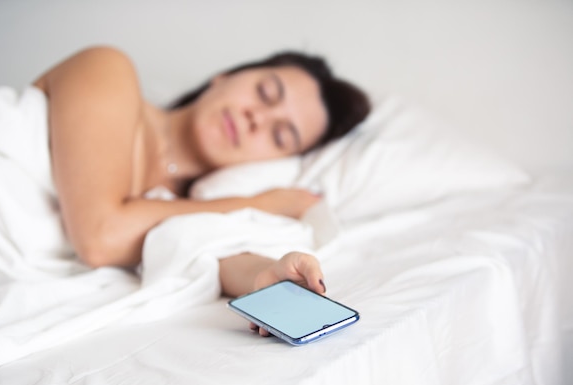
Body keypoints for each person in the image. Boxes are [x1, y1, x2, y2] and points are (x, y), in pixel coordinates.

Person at [33, 46, 370, 328]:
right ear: (224, 76)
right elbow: (100, 238)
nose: (258, 118)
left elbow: (214, 255)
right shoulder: (106, 69)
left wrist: (271, 275)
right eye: (265, 93)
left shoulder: (185, 206)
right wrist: (261, 204)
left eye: (279, 135)